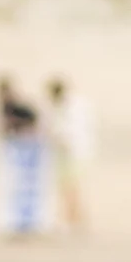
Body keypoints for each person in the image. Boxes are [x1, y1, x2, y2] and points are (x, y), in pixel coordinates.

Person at [0, 74, 47, 236]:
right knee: (19, 186)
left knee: (24, 185)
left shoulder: (15, 105)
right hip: (20, 144)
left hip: (26, 146)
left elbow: (28, 121)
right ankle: (20, 220)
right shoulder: (8, 104)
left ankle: (27, 220)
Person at [43, 74, 95, 232]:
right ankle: (73, 219)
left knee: (71, 188)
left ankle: (74, 220)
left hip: (73, 153)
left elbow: (73, 131)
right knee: (65, 189)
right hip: (62, 154)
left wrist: (59, 138)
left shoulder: (73, 107)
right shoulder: (56, 107)